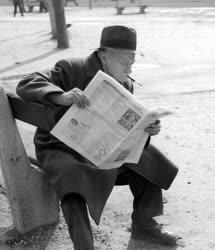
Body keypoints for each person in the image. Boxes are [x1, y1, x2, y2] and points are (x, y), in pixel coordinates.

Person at [16, 25, 179, 249]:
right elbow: (25, 84)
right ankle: (84, 245)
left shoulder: (126, 83)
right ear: (103, 56)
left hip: (102, 148)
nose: (129, 69)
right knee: (71, 178)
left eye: (132, 63)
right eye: (124, 62)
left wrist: (145, 130)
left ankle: (144, 225)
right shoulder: (72, 67)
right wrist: (60, 97)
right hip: (59, 147)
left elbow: (123, 126)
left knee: (148, 158)